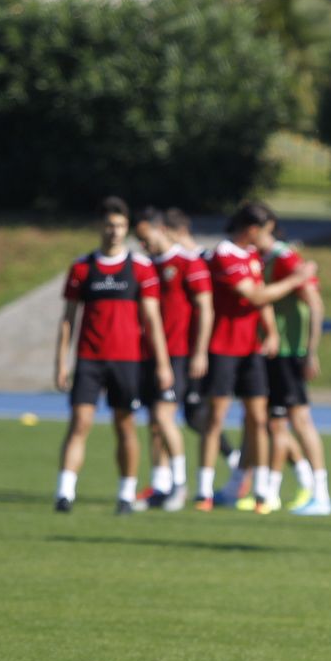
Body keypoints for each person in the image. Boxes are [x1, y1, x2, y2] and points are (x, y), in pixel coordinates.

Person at [194, 202, 316, 512]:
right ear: (251, 229)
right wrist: (294, 279)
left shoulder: (251, 256)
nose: (267, 238)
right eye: (265, 231)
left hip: (251, 349)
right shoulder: (223, 254)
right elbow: (256, 295)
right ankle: (204, 490)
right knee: (217, 417)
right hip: (223, 346)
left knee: (259, 418)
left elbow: (261, 301)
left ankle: (262, 491)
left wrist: (271, 332)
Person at [53, 197, 172, 515]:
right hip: (90, 359)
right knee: (80, 422)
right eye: (108, 225)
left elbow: (152, 320)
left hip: (127, 360)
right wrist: (61, 361)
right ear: (99, 227)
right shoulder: (82, 267)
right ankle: (65, 493)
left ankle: (126, 493)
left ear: (127, 228)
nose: (114, 231)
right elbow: (69, 319)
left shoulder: (140, 267)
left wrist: (162, 364)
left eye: (119, 226)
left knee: (125, 425)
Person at [131, 207, 206, 512]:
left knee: (165, 417)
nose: (142, 244)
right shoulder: (146, 266)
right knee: (154, 423)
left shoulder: (187, 262)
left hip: (178, 353)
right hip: (149, 352)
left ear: (160, 228)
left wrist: (199, 351)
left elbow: (205, 308)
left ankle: (179, 485)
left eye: (145, 237)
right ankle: (159, 486)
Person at [262, 230, 331, 516]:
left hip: (291, 353)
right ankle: (280, 489)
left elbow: (314, 303)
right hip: (276, 353)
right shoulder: (267, 258)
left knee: (300, 419)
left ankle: (321, 493)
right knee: (275, 423)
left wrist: (310, 350)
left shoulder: (284, 259)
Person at [163, 207, 236, 480]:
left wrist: (201, 350)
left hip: (207, 351)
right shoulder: (171, 263)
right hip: (181, 349)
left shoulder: (207, 260)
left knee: (196, 415)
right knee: (186, 416)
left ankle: (238, 463)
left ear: (179, 232)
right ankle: (165, 481)